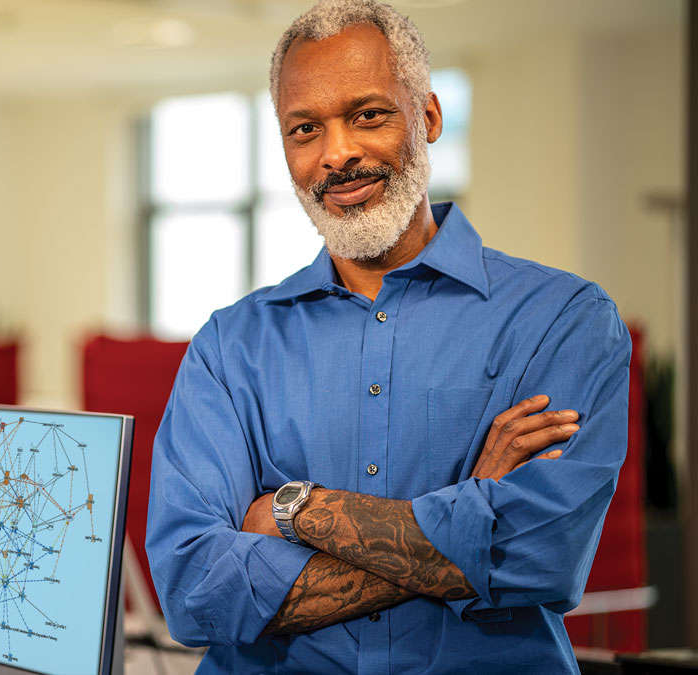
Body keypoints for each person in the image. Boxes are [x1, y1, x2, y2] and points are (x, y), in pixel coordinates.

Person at [144, 0, 631, 672]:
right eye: (304, 128)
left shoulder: (562, 319)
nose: (336, 153)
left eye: (367, 114)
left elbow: (536, 556)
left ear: (428, 117)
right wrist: (467, 515)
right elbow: (194, 590)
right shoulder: (231, 346)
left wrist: (294, 509)